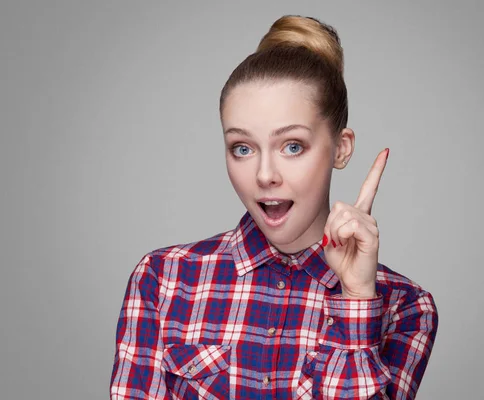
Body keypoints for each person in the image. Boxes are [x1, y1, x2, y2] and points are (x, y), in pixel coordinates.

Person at [110, 15, 438, 400]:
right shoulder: (164, 280)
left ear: (341, 148)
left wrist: (357, 298)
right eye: (243, 148)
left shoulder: (404, 308)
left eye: (292, 146)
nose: (265, 175)